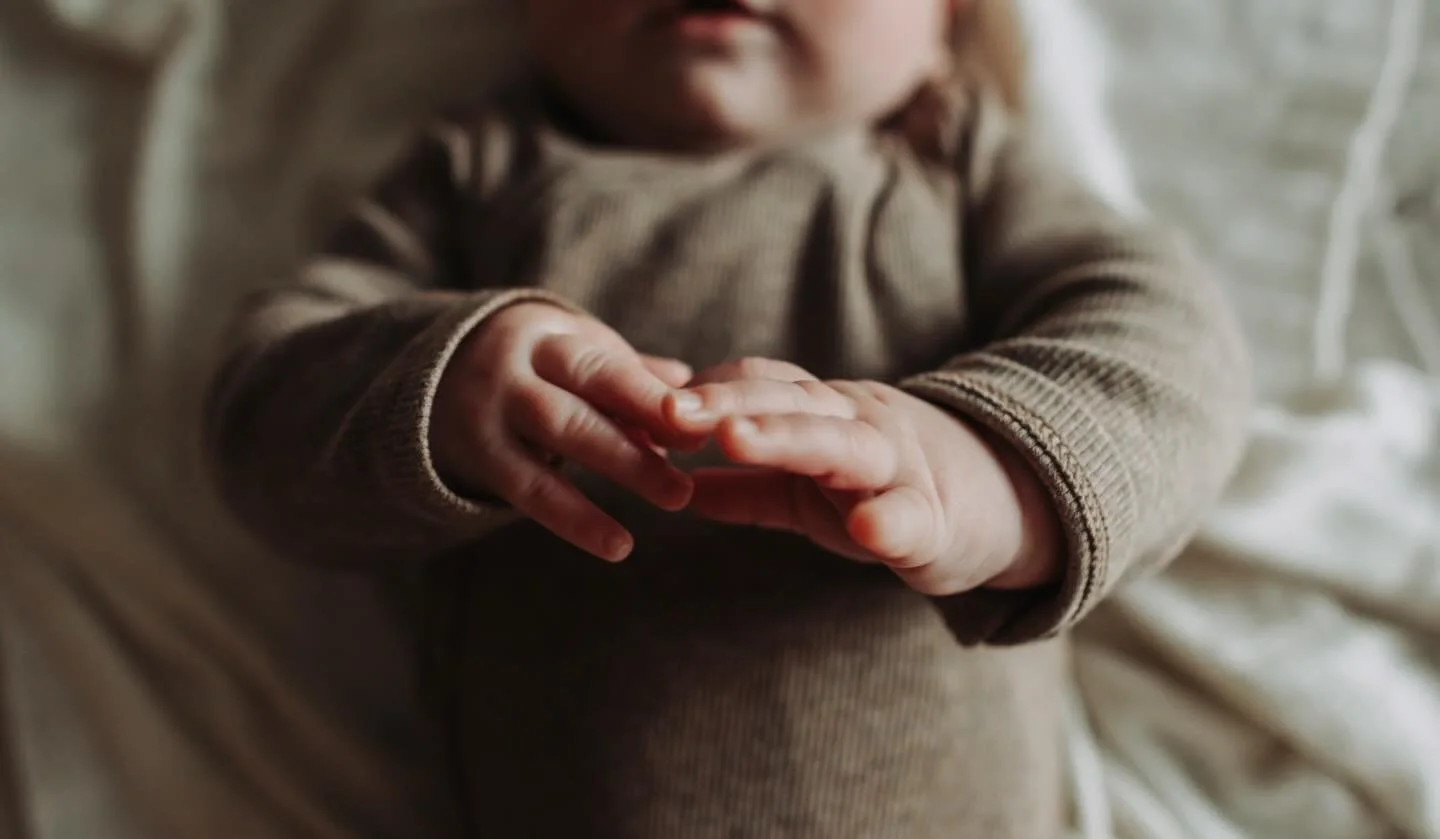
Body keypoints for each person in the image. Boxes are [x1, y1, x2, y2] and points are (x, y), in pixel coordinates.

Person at [203, 0, 1251, 835]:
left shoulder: (955, 163)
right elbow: (260, 415)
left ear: (947, 15)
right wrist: (441, 383)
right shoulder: (482, 169)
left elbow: (1175, 343)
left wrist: (988, 467)